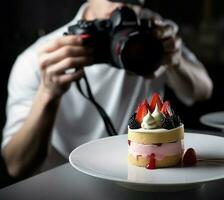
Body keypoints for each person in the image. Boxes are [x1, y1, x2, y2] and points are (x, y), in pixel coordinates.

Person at [1, 0, 213, 177]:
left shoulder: (153, 32)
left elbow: (202, 91)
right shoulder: (39, 58)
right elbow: (17, 165)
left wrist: (175, 62)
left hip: (139, 179)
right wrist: (48, 93)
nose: (122, 5)